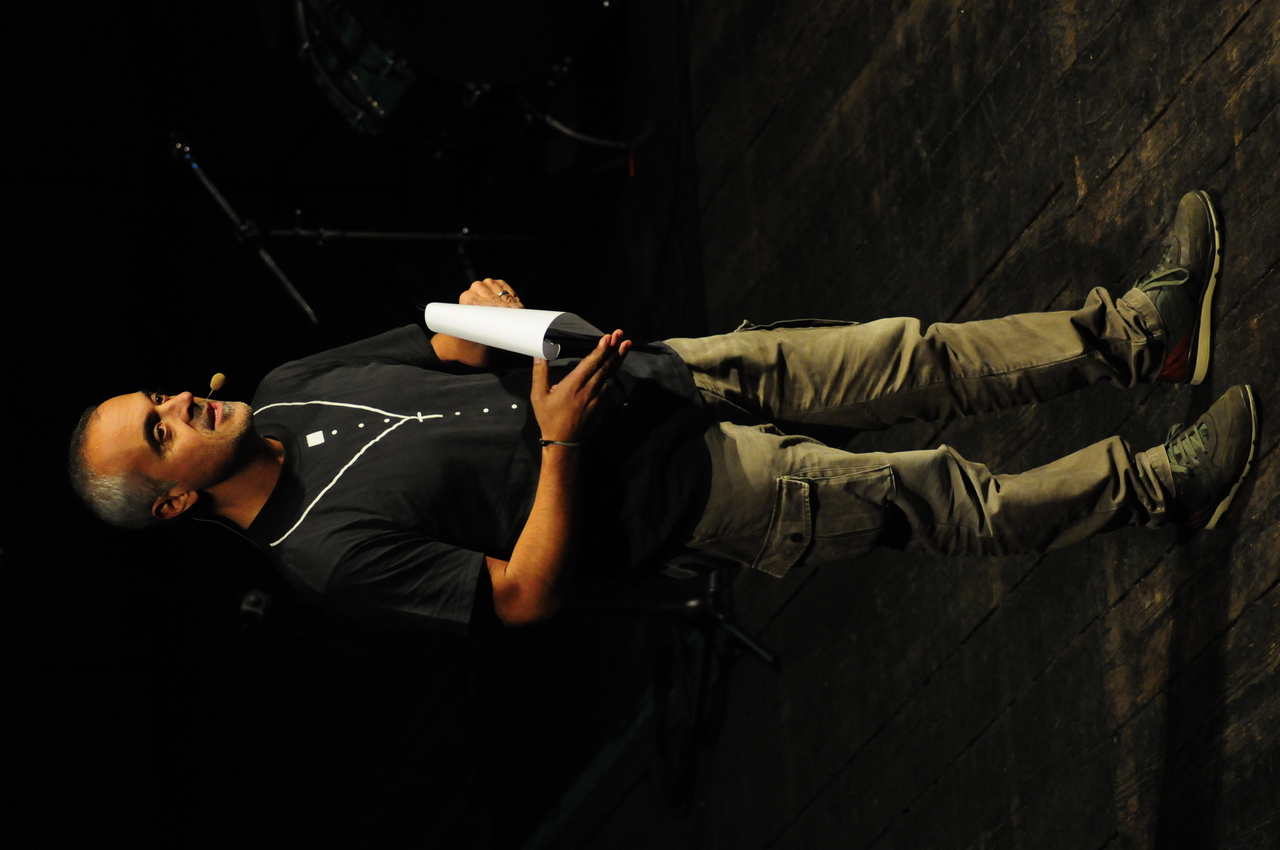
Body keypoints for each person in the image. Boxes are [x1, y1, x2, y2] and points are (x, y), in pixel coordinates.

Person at [69, 190, 1258, 633]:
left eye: (158, 396)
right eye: (158, 429)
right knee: (945, 496)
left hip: (665, 375)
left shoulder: (284, 385)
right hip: (691, 494)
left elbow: (432, 348)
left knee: (914, 354)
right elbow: (521, 596)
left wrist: (482, 316)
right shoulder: (323, 556)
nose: (180, 403)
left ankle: (1134, 339)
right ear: (171, 502)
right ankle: (1158, 487)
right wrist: (555, 442)